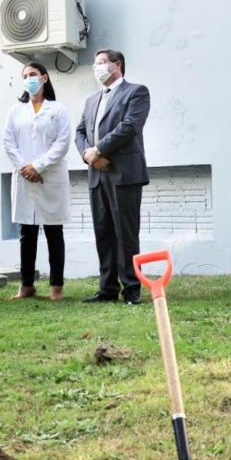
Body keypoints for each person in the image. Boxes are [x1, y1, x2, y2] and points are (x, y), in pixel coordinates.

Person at [74, 49, 150, 305]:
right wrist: (89, 156)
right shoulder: (91, 100)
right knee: (103, 231)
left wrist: (99, 149)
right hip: (97, 173)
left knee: (125, 232)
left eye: (101, 62)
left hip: (124, 173)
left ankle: (131, 289)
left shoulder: (136, 92)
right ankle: (107, 288)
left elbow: (129, 126)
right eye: (95, 64)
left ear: (117, 65)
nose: (97, 67)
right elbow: (81, 131)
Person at [3, 62, 72, 301]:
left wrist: (38, 166)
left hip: (50, 176)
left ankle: (56, 286)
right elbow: (8, 142)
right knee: (27, 232)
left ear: (44, 78)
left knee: (54, 231)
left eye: (33, 74)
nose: (29, 79)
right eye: (25, 76)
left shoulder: (58, 109)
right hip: (24, 176)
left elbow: (62, 143)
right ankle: (26, 284)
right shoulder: (15, 110)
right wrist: (26, 167)